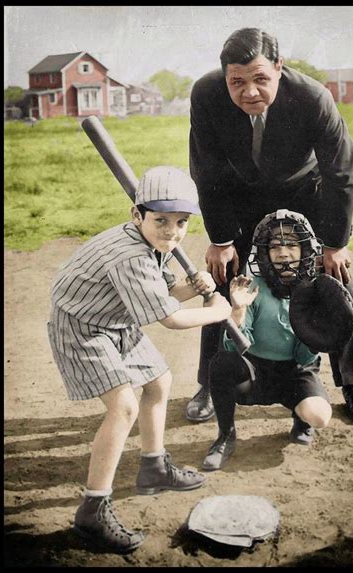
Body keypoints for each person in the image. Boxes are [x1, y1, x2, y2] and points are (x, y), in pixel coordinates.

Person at [187, 27, 353, 428]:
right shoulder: (205, 95)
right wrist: (220, 240)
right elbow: (206, 172)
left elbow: (341, 173)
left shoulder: (313, 97)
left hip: (304, 191)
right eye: (237, 82)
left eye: (260, 79)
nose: (250, 92)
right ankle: (208, 382)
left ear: (279, 66)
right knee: (225, 276)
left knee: (335, 276)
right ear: (224, 78)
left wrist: (333, 242)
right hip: (242, 195)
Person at [47, 166, 232, 554]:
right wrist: (218, 311)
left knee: (159, 381)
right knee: (123, 406)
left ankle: (153, 468)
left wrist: (192, 288)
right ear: (137, 215)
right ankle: (92, 511)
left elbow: (164, 296)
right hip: (82, 326)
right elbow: (170, 318)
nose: (171, 231)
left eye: (180, 222)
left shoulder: (150, 244)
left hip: (114, 318)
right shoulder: (129, 255)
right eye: (160, 220)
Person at [202, 210, 332, 471]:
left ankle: (301, 420)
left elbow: (305, 358)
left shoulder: (314, 291)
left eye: (292, 245)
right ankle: (225, 435)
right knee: (222, 363)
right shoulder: (252, 287)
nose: (284, 253)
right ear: (264, 253)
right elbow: (233, 348)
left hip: (295, 373)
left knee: (319, 416)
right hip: (255, 373)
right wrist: (237, 310)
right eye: (275, 247)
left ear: (305, 249)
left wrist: (314, 333)